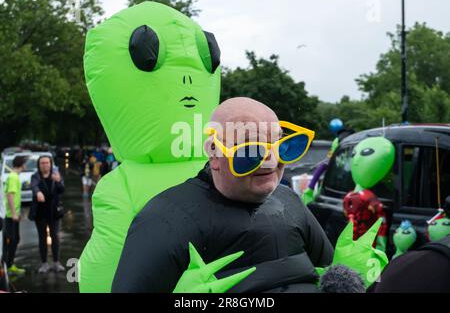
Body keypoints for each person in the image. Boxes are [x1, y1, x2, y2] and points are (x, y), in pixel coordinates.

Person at [112, 97, 334, 293]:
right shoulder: (165, 218)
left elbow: (330, 269)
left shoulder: (290, 201)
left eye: (282, 147)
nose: (272, 161)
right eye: (251, 150)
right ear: (215, 155)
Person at [29, 156, 65, 273]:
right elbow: (34, 186)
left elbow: (61, 190)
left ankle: (56, 262)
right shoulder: (36, 176)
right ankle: (44, 263)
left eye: (47, 163)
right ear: (39, 165)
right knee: (42, 238)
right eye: (42, 163)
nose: (45, 165)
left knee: (55, 237)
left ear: (51, 164)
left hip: (54, 212)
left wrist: (59, 181)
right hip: (40, 213)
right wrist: (38, 192)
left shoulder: (56, 175)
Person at [1, 156, 27, 275]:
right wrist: (14, 213)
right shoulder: (13, 177)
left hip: (12, 214)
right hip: (10, 215)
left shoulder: (14, 176)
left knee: (14, 240)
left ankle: (8, 264)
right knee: (13, 240)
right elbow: (10, 195)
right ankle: (8, 265)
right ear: (22, 164)